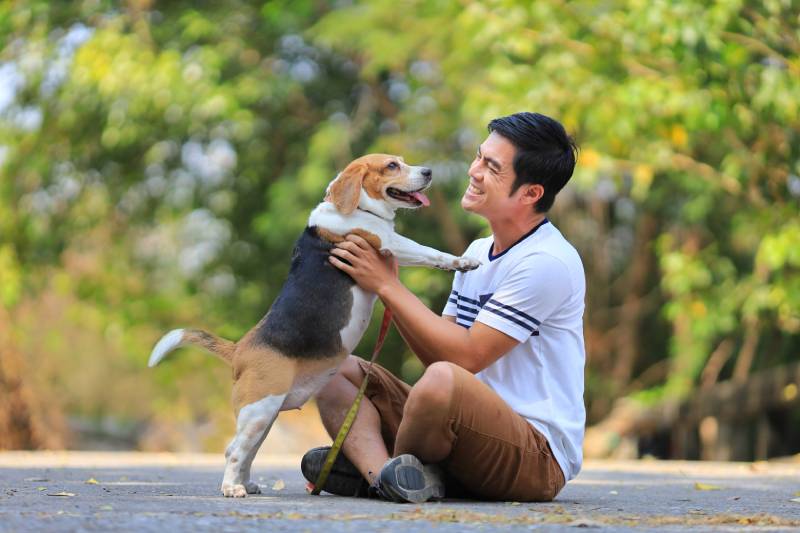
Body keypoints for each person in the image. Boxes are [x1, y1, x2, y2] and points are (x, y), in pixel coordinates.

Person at [302, 112, 585, 503]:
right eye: (479, 157)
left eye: (492, 167)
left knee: (442, 381)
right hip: (458, 432)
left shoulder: (545, 261)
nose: (474, 171)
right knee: (330, 367)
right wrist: (385, 285)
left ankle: (378, 470)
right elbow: (436, 349)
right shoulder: (476, 253)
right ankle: (387, 476)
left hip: (534, 455)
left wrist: (386, 284)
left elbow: (464, 358)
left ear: (530, 193)